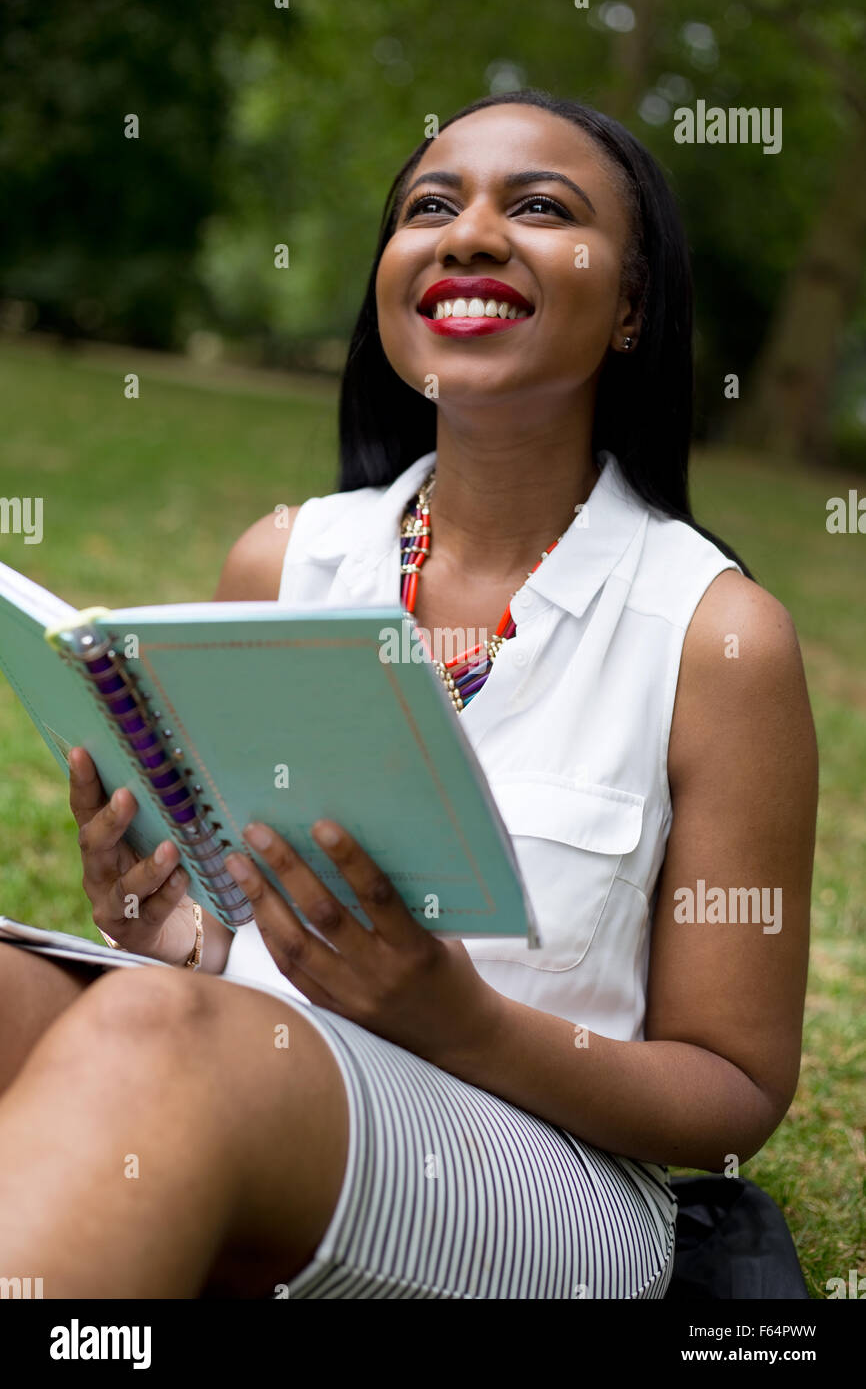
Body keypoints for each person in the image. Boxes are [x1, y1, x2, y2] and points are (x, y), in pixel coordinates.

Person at [0, 90, 818, 1300]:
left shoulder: (714, 636)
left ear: (633, 305)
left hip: (542, 1168)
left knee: (152, 1038)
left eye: (537, 208)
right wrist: (163, 928)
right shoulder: (283, 560)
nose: (469, 234)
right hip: (249, 1068)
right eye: (429, 207)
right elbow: (216, 954)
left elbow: (731, 1095)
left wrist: (462, 1021)